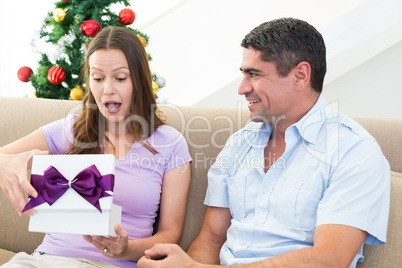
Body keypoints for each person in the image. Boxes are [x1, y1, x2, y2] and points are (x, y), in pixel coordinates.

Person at [137, 17, 390, 268]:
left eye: (254, 74)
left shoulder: (353, 151)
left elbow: (328, 259)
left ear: (300, 76)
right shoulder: (239, 144)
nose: (242, 88)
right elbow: (211, 239)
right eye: (243, 74)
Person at [0, 26, 192, 268]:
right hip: (46, 260)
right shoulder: (69, 129)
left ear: (139, 80)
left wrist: (125, 250)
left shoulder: (170, 143)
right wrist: (5, 164)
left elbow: (170, 233)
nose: (107, 89)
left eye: (120, 78)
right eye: (98, 78)